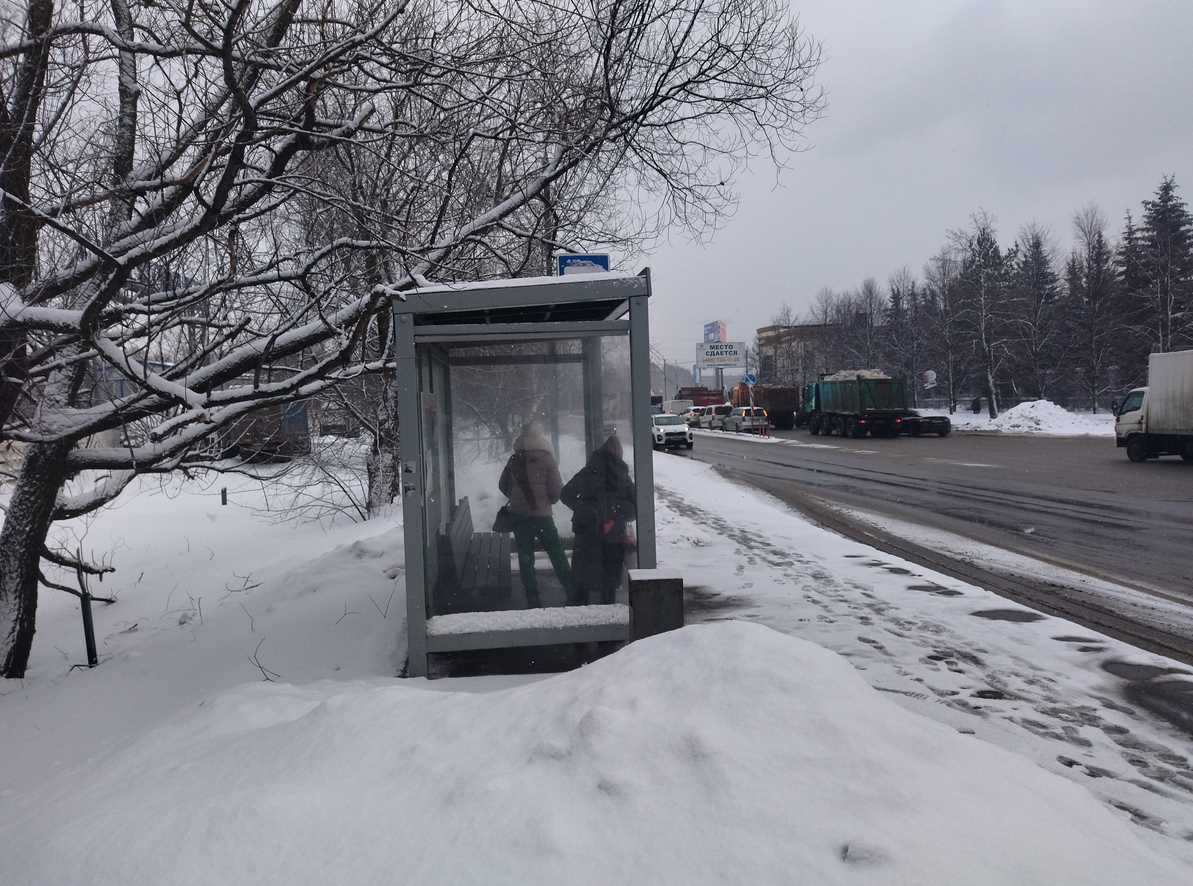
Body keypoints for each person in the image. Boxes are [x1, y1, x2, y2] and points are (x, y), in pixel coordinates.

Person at [499, 423, 572, 607]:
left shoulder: (514, 459)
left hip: (519, 516)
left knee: (526, 556)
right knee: (556, 553)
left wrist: (517, 498)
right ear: (540, 436)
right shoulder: (547, 459)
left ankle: (532, 596)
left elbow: (503, 485)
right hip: (542, 516)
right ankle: (571, 588)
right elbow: (556, 490)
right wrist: (546, 502)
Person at [562, 434, 637, 605]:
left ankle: (579, 614)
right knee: (609, 581)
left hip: (586, 532)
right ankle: (607, 612)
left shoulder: (589, 471)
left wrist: (584, 508)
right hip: (613, 533)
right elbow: (634, 509)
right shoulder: (622, 477)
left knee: (582, 576)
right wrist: (616, 511)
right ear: (618, 453)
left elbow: (565, 494)